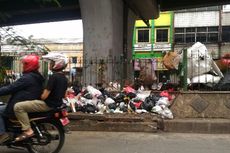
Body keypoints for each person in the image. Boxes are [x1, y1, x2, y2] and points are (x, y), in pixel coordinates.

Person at [14, 52, 68, 142]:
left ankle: (28, 130)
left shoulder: (53, 77)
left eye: (51, 63)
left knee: (18, 107)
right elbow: (65, 95)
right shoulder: (64, 78)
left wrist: (39, 94)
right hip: (56, 104)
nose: (50, 65)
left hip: (47, 104)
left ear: (57, 64)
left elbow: (44, 96)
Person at [0, 55, 44, 144]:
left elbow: (10, 88)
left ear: (30, 65)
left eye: (25, 64)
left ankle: (2, 134)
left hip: (20, 103)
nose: (23, 66)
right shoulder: (36, 76)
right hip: (25, 101)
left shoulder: (27, 78)